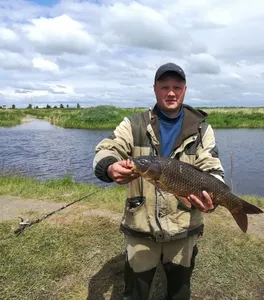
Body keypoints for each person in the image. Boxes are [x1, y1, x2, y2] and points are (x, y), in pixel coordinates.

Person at [93, 62, 225, 300]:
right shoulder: (133, 124)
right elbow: (106, 148)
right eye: (164, 87)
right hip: (140, 228)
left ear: (185, 89)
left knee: (179, 292)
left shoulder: (202, 129)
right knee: (135, 293)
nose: (171, 92)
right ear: (155, 89)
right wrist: (110, 167)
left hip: (185, 227)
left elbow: (213, 168)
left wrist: (213, 197)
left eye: (177, 86)